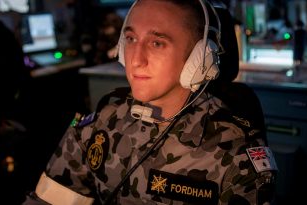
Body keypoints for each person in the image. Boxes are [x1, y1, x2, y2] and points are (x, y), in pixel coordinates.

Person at [22, 0, 277, 204]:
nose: (136, 59)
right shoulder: (104, 119)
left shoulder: (235, 151)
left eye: (157, 43)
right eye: (131, 39)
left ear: (199, 60)